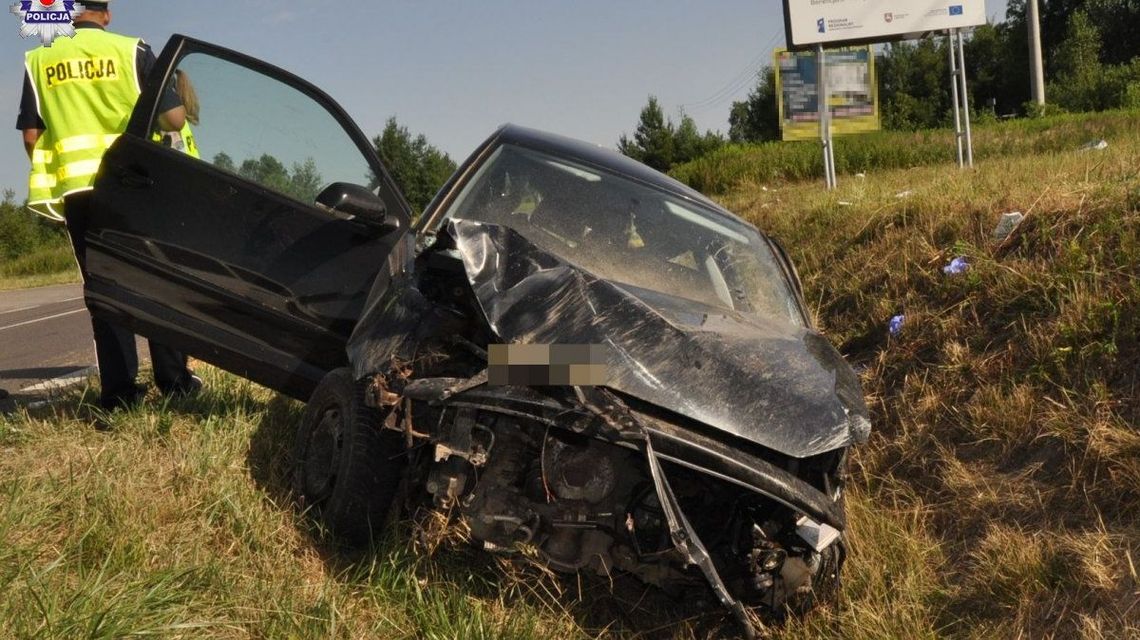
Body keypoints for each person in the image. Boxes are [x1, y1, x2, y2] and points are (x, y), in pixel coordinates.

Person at [16, 0, 201, 410]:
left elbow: (31, 136)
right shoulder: (131, 50)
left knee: (105, 286)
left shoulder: (39, 59)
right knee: (157, 280)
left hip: (81, 191)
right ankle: (174, 382)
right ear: (107, 13)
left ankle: (119, 395)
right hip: (135, 185)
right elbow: (173, 120)